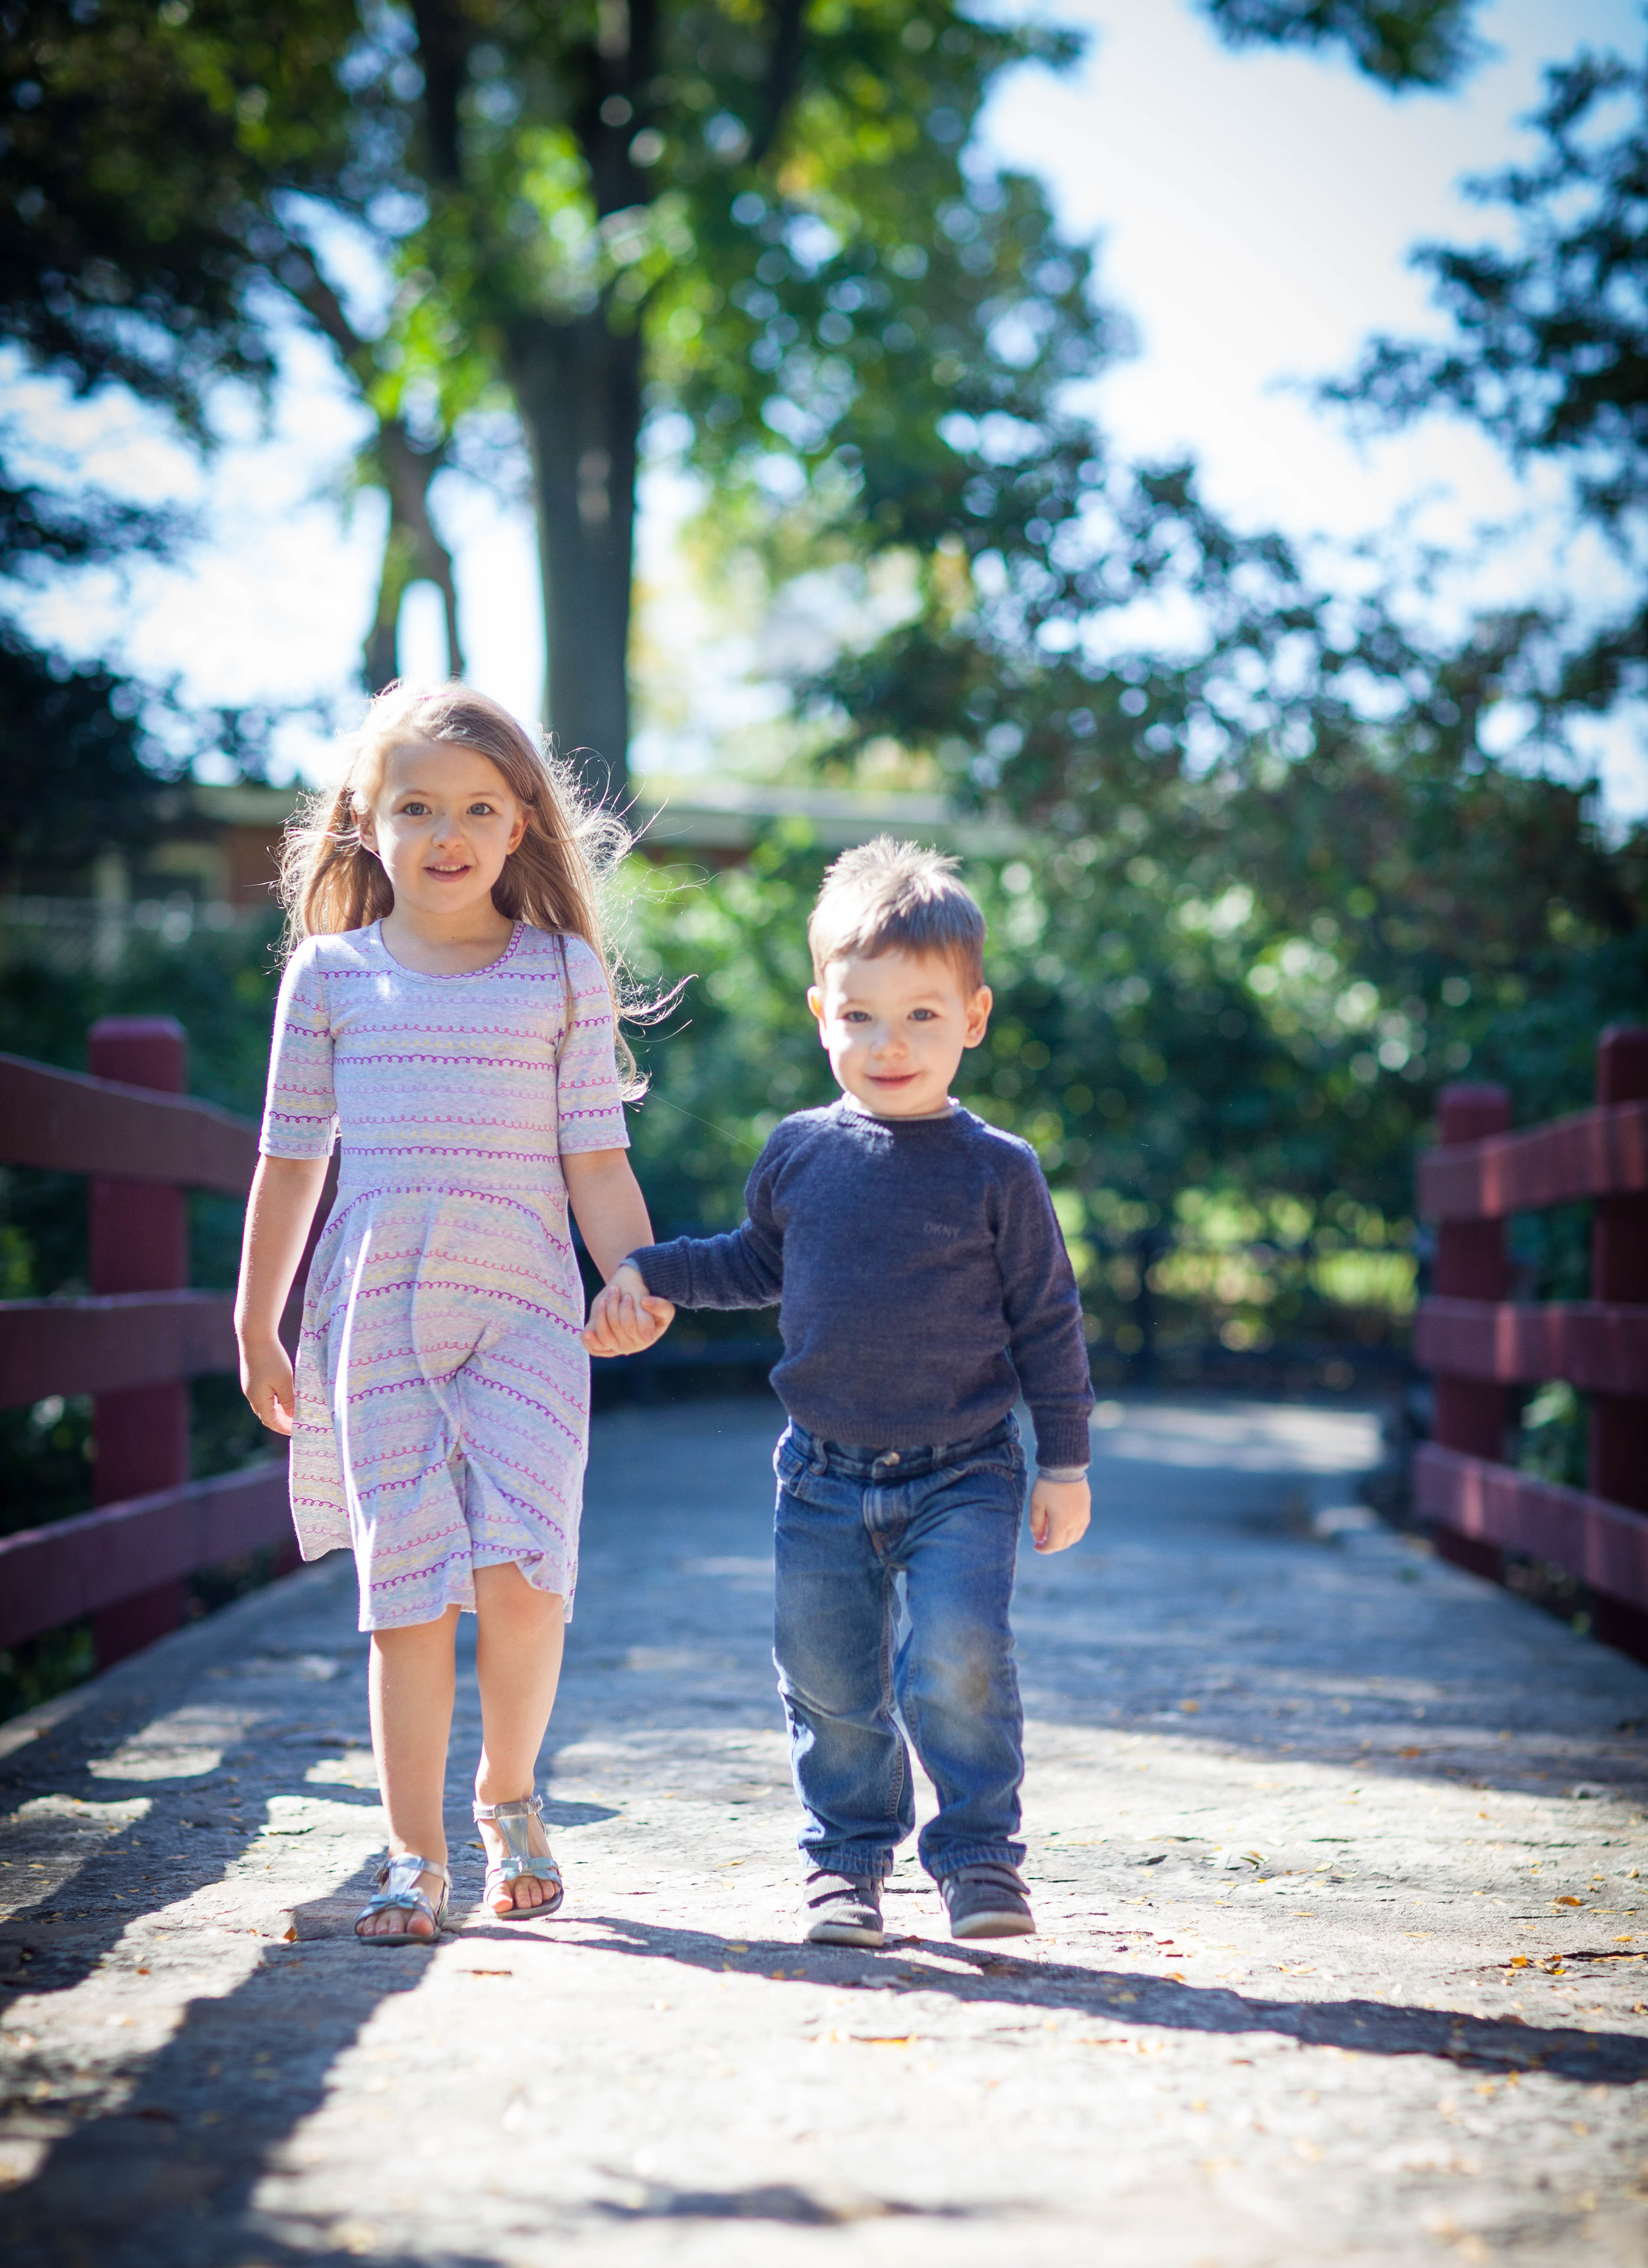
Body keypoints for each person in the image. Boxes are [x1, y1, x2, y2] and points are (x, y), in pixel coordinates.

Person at [585, 838, 1093, 1946]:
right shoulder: (800, 1153)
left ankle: (978, 1859)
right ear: (822, 1013)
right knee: (827, 1679)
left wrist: (1065, 1459)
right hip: (820, 1473)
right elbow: (755, 1263)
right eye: (861, 1016)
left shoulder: (998, 1170)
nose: (889, 1043)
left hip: (965, 1466)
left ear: (974, 1016)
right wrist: (652, 1272)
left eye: (921, 1015)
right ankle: (847, 1865)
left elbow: (1048, 1319)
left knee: (954, 1660)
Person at [236, 682, 670, 1948]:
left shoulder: (560, 974)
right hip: (376, 1318)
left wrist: (633, 1277)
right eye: (416, 805)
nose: (448, 831)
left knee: (527, 1567)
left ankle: (510, 1791)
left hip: (529, 1308)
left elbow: (596, 1157)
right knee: (408, 1590)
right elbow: (287, 1159)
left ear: (524, 822)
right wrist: (256, 1319)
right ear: (362, 821)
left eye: (480, 806)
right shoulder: (329, 975)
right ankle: (413, 1856)